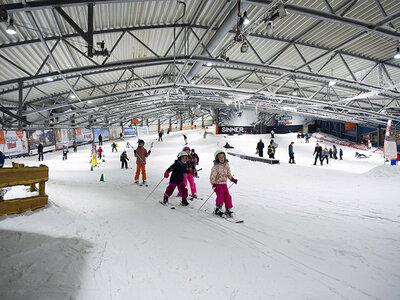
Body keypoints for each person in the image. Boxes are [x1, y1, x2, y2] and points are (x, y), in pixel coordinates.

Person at [210, 150, 238, 217]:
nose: (222, 158)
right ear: (217, 158)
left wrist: (232, 179)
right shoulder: (216, 167)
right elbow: (212, 177)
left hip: (224, 183)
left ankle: (228, 209)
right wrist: (213, 184)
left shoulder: (226, 165)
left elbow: (228, 174)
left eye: (223, 157)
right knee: (220, 194)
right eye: (220, 157)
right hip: (217, 184)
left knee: (227, 195)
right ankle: (218, 209)